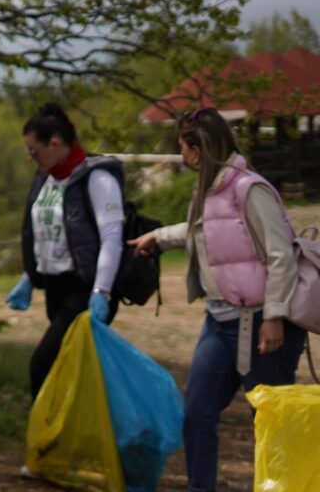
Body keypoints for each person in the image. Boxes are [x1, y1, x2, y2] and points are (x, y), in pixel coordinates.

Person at [129, 107, 305, 492]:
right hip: (219, 322)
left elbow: (281, 254)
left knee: (272, 422)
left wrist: (274, 316)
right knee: (197, 414)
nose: (180, 155)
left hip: (263, 325)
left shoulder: (249, 189)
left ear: (197, 148)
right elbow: (202, 231)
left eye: (182, 147)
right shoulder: (210, 188)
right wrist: (157, 238)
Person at [5, 103, 124, 401]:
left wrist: (101, 290)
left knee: (41, 365)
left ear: (55, 143)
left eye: (34, 151)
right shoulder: (44, 180)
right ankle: (77, 438)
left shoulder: (96, 178)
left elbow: (112, 237)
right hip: (54, 288)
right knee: (70, 370)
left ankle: (45, 439)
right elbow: (41, 232)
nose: (30, 157)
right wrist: (28, 278)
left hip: (83, 289)